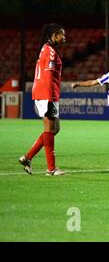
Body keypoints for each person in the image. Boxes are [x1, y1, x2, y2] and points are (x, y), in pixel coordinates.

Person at [19, 24, 66, 176]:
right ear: (54, 35)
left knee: (54, 129)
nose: (64, 38)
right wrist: (50, 99)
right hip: (47, 95)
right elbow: (48, 76)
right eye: (62, 35)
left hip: (45, 94)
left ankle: (27, 157)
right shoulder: (50, 52)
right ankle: (51, 169)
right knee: (50, 129)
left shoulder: (45, 49)